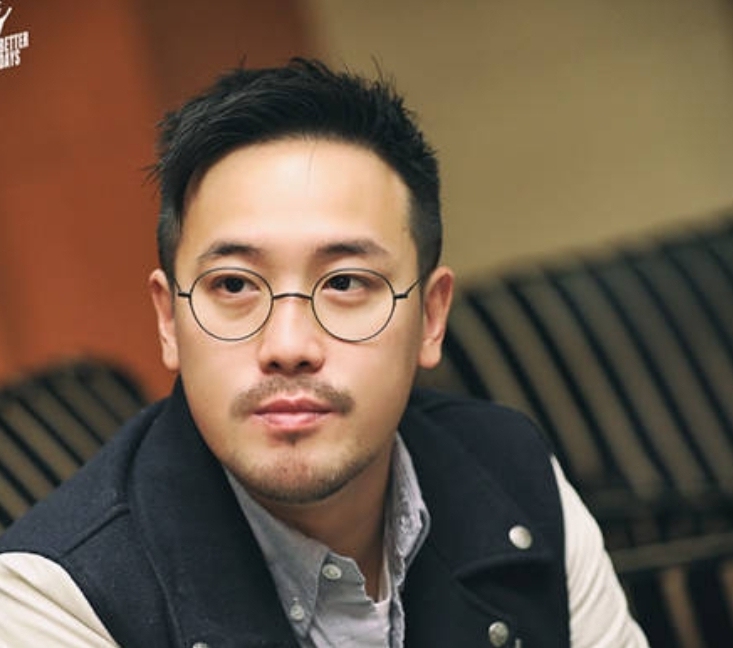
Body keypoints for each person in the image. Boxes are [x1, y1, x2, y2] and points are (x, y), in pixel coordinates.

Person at [0, 59, 648, 647]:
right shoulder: (53, 598)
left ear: (430, 317)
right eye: (233, 286)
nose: (288, 346)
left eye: (344, 283)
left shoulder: (510, 469)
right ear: (169, 320)